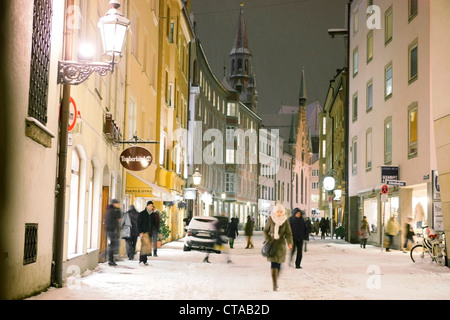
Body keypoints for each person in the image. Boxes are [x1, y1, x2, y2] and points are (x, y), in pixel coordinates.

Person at [263, 203, 293, 291]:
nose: (279, 213)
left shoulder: (285, 221)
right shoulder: (271, 220)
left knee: (279, 265)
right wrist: (268, 239)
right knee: (273, 264)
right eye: (277, 212)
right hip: (272, 245)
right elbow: (265, 231)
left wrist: (289, 242)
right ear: (275, 212)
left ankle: (276, 279)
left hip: (281, 246)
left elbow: (288, 233)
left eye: (281, 212)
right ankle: (274, 283)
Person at [105, 199, 121, 266]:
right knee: (113, 244)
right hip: (112, 230)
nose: (118, 205)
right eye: (117, 203)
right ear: (114, 204)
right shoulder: (113, 211)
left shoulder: (109, 210)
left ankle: (110, 258)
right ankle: (109, 258)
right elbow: (119, 218)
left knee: (113, 244)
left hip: (109, 229)